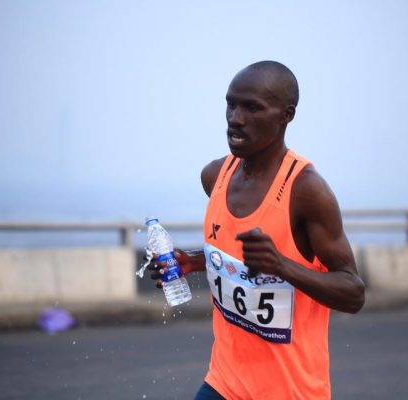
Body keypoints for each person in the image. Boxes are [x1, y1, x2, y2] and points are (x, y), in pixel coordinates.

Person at [148, 61, 365, 400]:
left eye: (252, 108)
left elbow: (353, 293)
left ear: (286, 115)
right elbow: (239, 258)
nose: (235, 118)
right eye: (231, 104)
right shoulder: (215, 177)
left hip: (292, 391)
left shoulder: (306, 191)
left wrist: (281, 266)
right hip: (224, 382)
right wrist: (193, 261)